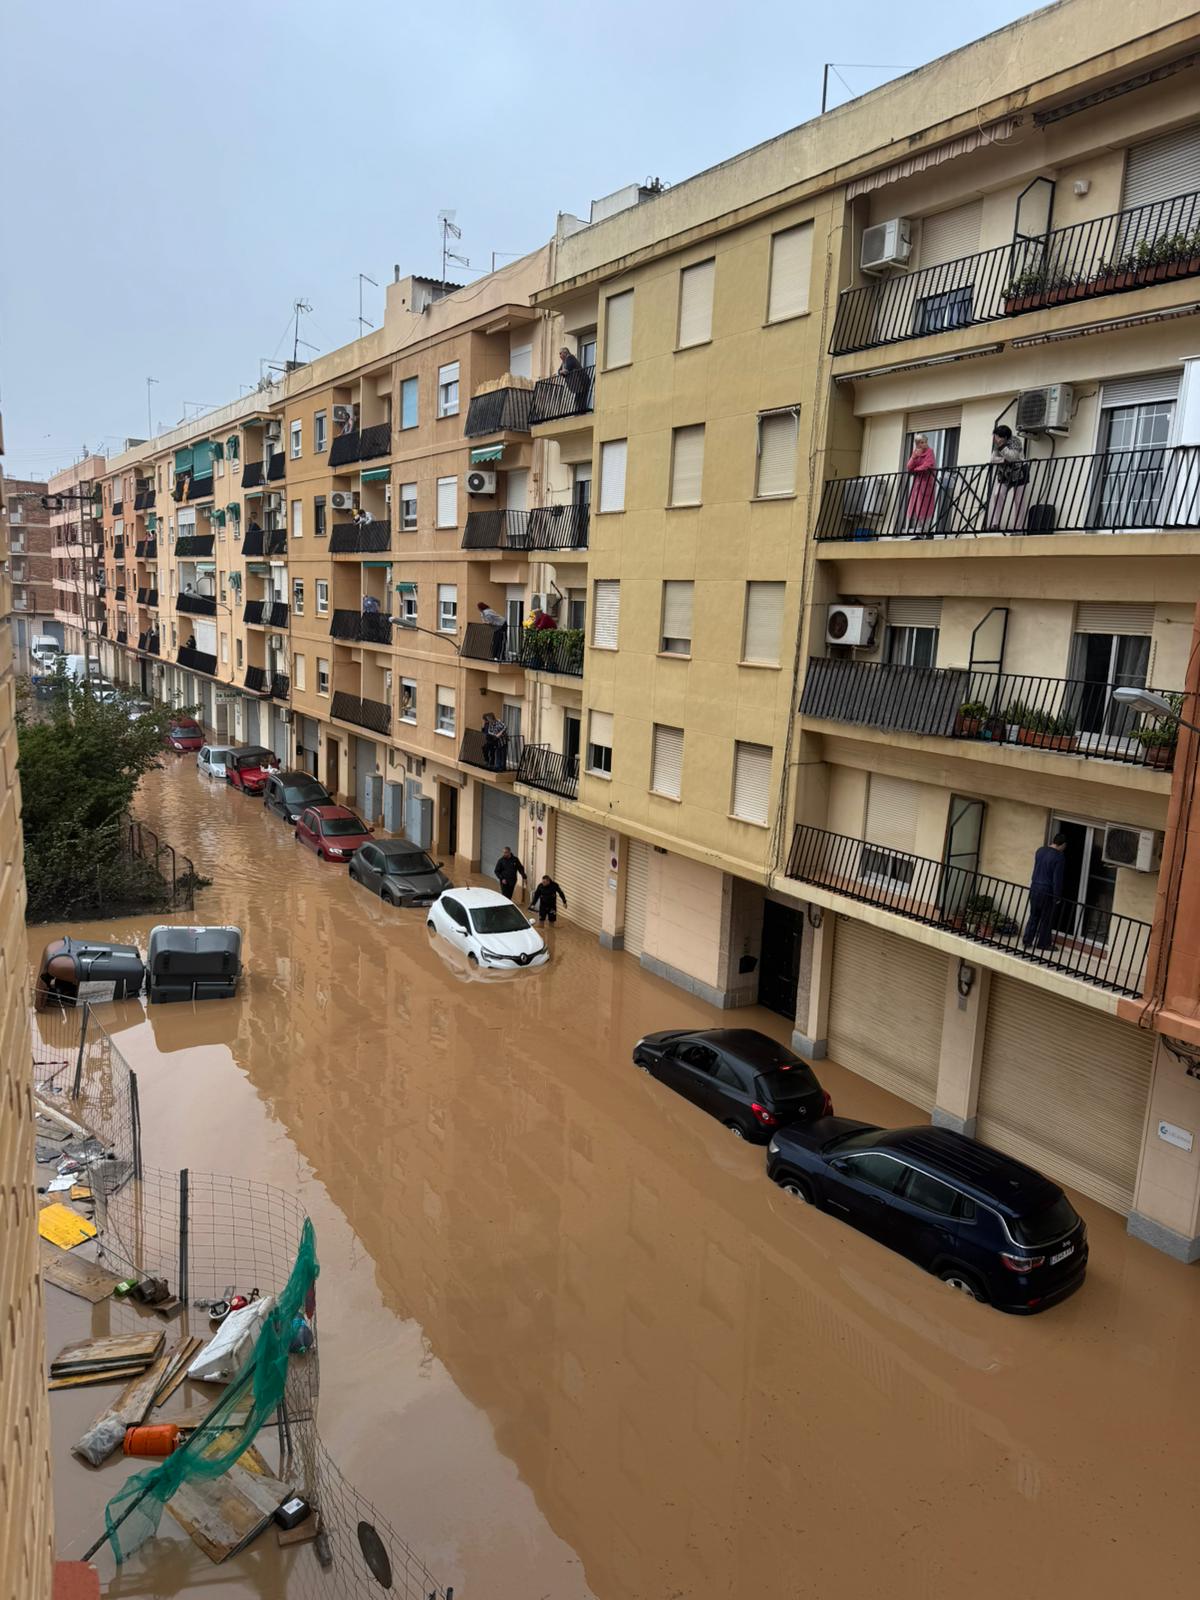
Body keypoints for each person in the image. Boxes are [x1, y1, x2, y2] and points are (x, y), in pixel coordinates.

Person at [1023, 832, 1066, 950]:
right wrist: (1057, 896)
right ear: (1062, 845)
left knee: (1033, 915)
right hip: (1047, 890)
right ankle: (1043, 943)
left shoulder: (1040, 851)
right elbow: (1057, 879)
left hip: (1035, 886)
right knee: (1046, 918)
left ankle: (1027, 941)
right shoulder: (1059, 857)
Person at [988, 425, 1029, 532]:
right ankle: (995, 523)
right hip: (1004, 474)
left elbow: (1013, 457)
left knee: (1019, 501)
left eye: (997, 436)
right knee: (998, 494)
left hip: (1019, 473)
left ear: (1005, 437)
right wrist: (1004, 461)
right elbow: (992, 459)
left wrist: (1002, 449)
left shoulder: (1015, 442)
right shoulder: (997, 444)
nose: (995, 439)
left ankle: (1018, 528)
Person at [904, 434, 937, 533]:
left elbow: (928, 465)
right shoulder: (916, 453)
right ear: (917, 444)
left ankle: (927, 532)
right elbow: (909, 467)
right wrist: (913, 457)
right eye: (921, 443)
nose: (924, 444)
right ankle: (919, 533)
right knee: (916, 508)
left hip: (926, 484)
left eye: (925, 442)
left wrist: (915, 470)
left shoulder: (930, 452)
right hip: (917, 485)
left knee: (925, 509)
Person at [558, 347, 589, 413]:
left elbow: (567, 369)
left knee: (581, 398)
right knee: (578, 398)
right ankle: (579, 412)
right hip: (579, 383)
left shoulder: (570, 358)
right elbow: (559, 371)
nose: (559, 355)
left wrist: (562, 371)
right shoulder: (564, 362)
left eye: (560, 353)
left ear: (565, 352)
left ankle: (581, 412)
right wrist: (561, 371)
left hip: (582, 381)